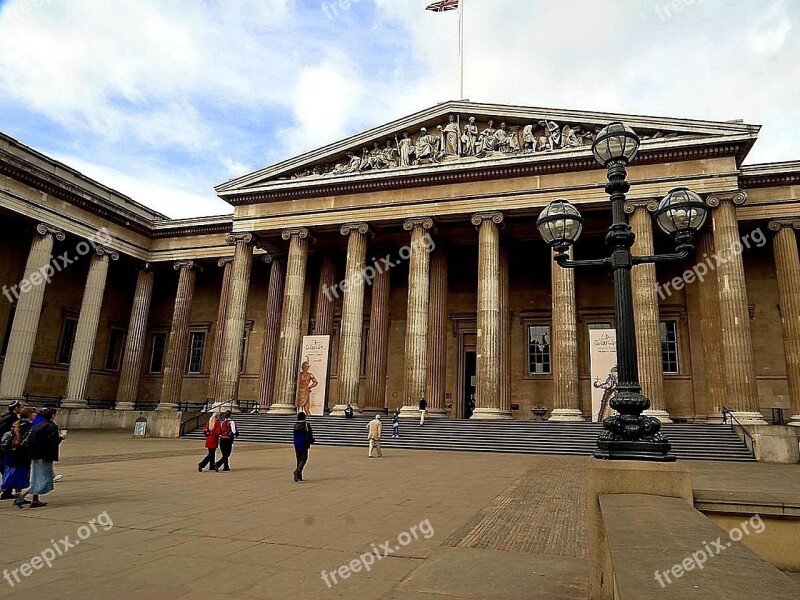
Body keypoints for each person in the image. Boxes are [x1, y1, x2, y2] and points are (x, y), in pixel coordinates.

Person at [26, 407, 63, 508]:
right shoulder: (52, 426)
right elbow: (52, 442)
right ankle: (34, 496)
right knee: (44, 476)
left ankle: (35, 498)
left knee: (36, 475)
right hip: (44, 455)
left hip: (35, 454)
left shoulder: (37, 425)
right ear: (52, 416)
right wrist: (61, 438)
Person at [1, 407, 36, 507]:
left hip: (14, 457)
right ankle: (18, 498)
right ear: (29, 415)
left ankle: (18, 498)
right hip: (20, 458)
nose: (35, 415)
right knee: (8, 482)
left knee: (18, 481)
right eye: (33, 413)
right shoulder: (28, 427)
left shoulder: (19, 424)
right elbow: (28, 442)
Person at [0, 400, 25, 500]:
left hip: (4, 447)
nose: (23, 409)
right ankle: (6, 490)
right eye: (21, 407)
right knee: (7, 470)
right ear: (16, 409)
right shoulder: (11, 419)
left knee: (6, 470)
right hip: (4, 448)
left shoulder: (6, 417)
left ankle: (8, 491)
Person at [293, 412, 314, 482]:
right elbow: (309, 434)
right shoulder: (306, 425)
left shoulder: (295, 425)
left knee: (299, 459)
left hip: (296, 443)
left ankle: (299, 476)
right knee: (304, 459)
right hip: (304, 443)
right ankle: (297, 472)